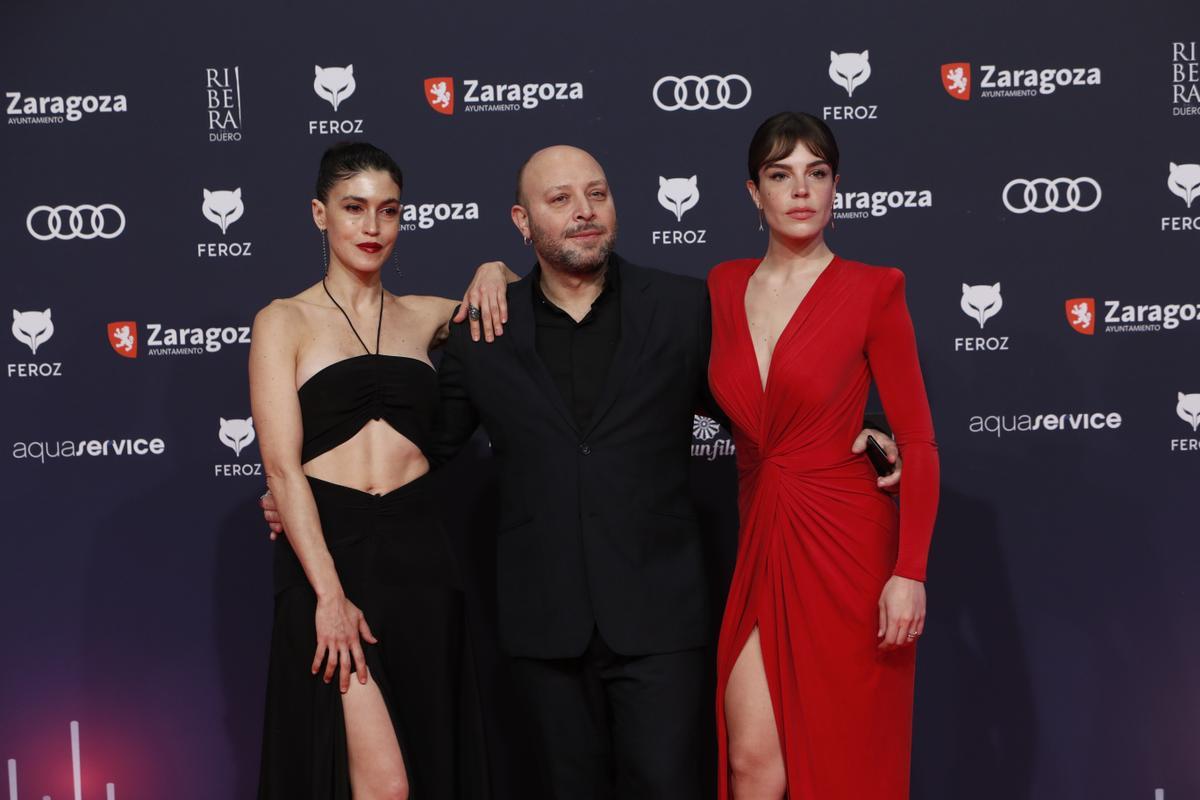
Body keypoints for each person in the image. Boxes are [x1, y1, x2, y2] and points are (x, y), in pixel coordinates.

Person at [262, 144, 900, 799]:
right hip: (544, 625)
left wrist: (864, 420)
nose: (584, 212)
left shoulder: (681, 307)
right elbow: (426, 448)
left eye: (596, 194)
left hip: (661, 621)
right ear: (522, 219)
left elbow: (761, 393)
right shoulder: (488, 332)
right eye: (560, 200)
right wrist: (313, 493)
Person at [252, 141, 513, 799]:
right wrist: (329, 597)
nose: (372, 228)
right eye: (354, 208)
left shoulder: (425, 315)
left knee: (429, 766)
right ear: (319, 214)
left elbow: (521, 301)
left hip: (420, 555)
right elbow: (283, 470)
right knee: (381, 784)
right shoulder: (283, 321)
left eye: (388, 211)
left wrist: (492, 267)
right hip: (329, 555)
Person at [707, 112, 940, 799]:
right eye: (781, 176)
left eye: (816, 174)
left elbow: (920, 439)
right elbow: (714, 395)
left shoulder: (874, 289)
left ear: (837, 186)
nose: (800, 191)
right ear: (755, 192)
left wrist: (910, 572)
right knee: (753, 764)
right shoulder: (723, 286)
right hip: (763, 539)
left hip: (850, 550)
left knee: (846, 764)